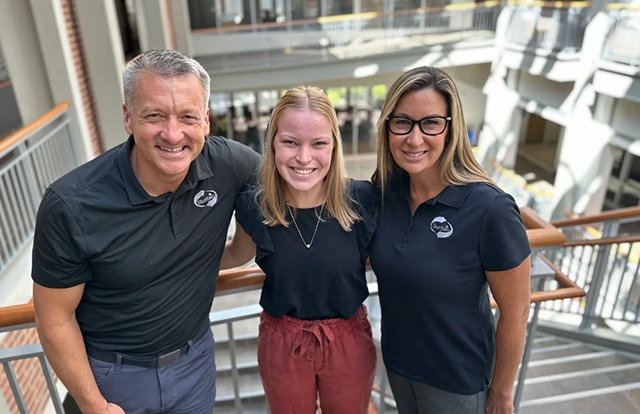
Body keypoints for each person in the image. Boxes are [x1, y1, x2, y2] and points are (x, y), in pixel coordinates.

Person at [31, 49, 261, 414]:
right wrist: (93, 405)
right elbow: (53, 318)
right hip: (112, 378)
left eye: (187, 116)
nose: (173, 133)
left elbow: (296, 184)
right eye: (154, 115)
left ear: (204, 120)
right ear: (128, 117)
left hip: (196, 362)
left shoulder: (231, 165)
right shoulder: (71, 205)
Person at [369, 66, 531, 414]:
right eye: (402, 122)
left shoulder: (491, 209)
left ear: (450, 128)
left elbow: (516, 313)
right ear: (387, 127)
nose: (414, 139)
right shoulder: (385, 194)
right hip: (398, 366)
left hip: (456, 381)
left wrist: (501, 394)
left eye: (430, 123)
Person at [228, 86, 377, 414]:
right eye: (290, 142)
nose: (304, 157)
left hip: (348, 336)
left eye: (319, 143)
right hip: (282, 340)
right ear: (273, 145)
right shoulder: (255, 207)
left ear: (334, 146)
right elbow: (235, 255)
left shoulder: (363, 201)